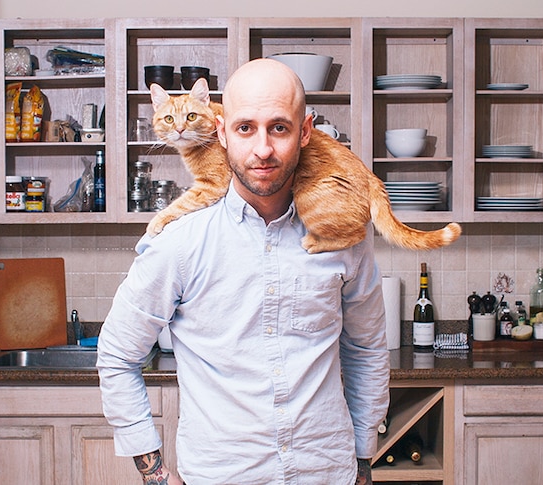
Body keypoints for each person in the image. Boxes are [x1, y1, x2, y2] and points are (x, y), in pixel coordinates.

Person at [96, 58, 389, 485]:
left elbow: (366, 349)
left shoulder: (344, 237)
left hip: (327, 473)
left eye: (280, 128)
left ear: (305, 132)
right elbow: (118, 354)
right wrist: (155, 474)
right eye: (245, 128)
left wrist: (362, 459)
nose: (263, 149)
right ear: (221, 131)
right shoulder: (178, 243)